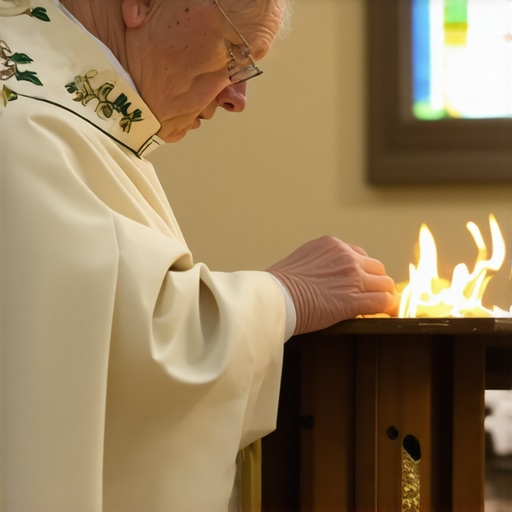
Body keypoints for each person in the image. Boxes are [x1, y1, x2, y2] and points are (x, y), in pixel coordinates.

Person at [0, 0, 397, 510]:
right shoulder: (26, 120)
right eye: (234, 52)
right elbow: (100, 346)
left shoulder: (56, 99)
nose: (238, 97)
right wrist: (287, 295)